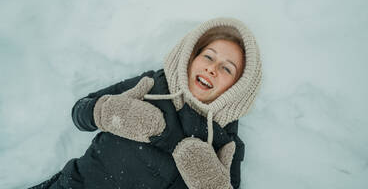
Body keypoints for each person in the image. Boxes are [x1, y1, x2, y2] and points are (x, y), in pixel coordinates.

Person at [30, 17, 262, 189]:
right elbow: (79, 112)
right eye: (208, 57)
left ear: (237, 87)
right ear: (192, 58)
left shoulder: (227, 145)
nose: (212, 68)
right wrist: (109, 112)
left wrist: (208, 182)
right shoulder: (153, 85)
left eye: (226, 68)